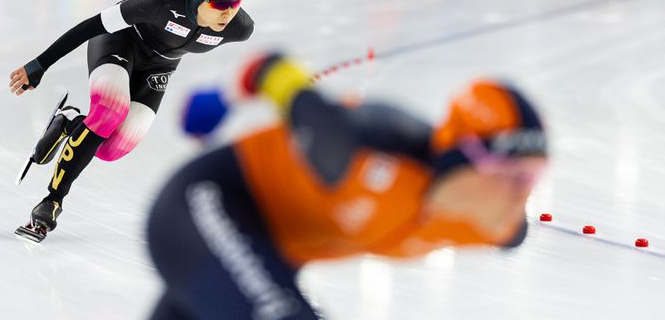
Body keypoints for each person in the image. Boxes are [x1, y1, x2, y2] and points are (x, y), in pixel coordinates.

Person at [146, 54, 548, 319]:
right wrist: (221, 98)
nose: (522, 194)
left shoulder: (495, 227)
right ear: (466, 157)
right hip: (205, 204)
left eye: (533, 176)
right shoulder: (362, 147)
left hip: (266, 254)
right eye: (512, 176)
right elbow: (272, 69)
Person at [9, 0, 254, 240]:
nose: (228, 13)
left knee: (109, 150)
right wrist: (40, 64)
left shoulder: (240, 28)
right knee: (109, 111)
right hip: (121, 42)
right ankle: (52, 201)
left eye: (236, 3)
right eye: (220, 4)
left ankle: (69, 122)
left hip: (160, 67)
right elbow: (92, 26)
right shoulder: (162, 0)